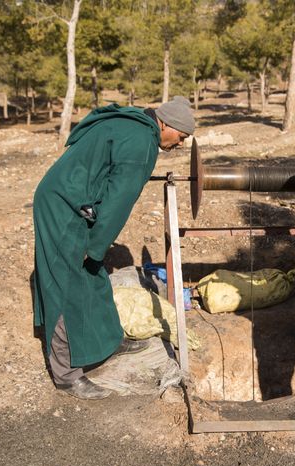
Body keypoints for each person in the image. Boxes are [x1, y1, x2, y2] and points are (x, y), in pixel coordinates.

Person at [33, 96, 195, 399]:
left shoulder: (133, 123)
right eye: (182, 137)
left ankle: (108, 340)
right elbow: (118, 202)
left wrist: (93, 251)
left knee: (93, 275)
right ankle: (66, 376)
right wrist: (94, 244)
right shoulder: (142, 144)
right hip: (62, 207)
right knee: (64, 286)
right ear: (167, 125)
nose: (181, 144)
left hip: (73, 200)